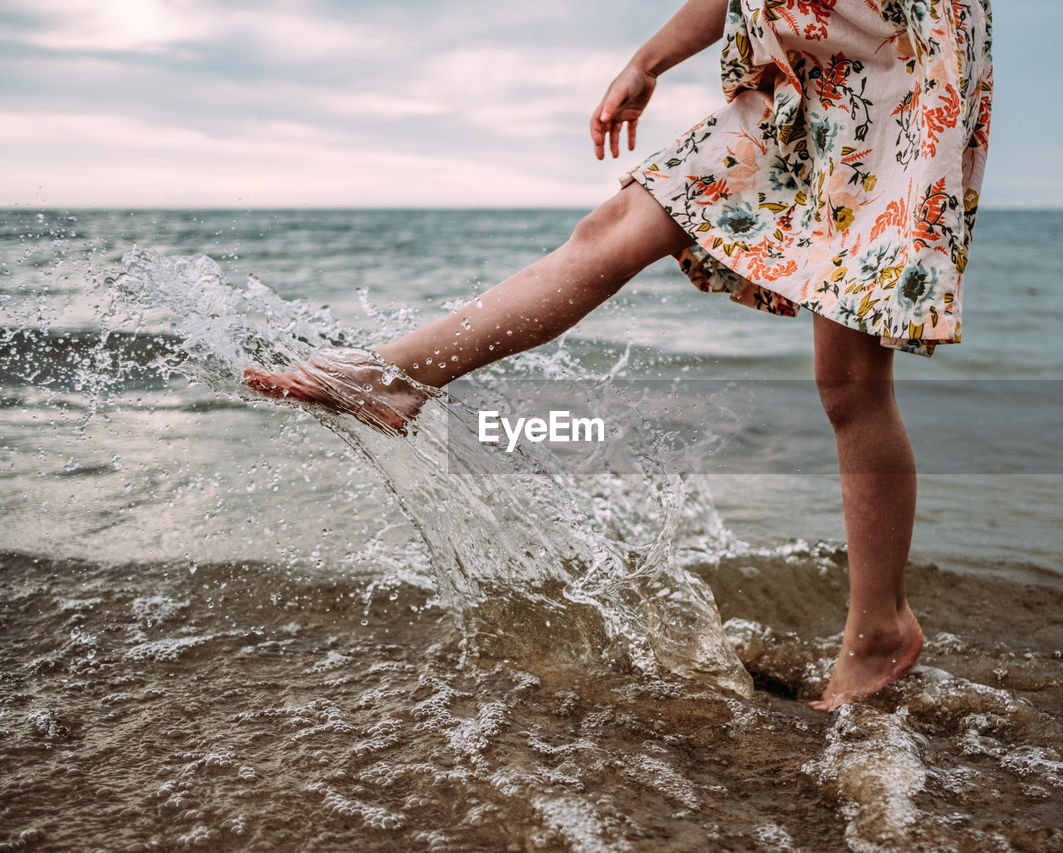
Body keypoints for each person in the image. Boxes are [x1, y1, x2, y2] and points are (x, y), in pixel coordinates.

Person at [245, 0, 994, 711]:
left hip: (899, 74)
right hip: (806, 69)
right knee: (612, 226)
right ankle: (394, 376)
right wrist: (649, 60)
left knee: (851, 383)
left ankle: (878, 634)